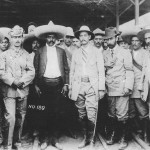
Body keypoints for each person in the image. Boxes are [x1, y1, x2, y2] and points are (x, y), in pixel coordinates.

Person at [34, 21, 69, 150]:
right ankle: (44, 140)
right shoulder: (40, 51)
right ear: (45, 38)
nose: (51, 39)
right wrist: (36, 85)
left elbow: (66, 69)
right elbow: (35, 69)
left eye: (53, 36)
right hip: (44, 85)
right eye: (49, 36)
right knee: (43, 113)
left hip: (58, 85)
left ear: (56, 38)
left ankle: (54, 140)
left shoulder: (61, 51)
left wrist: (66, 84)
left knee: (56, 112)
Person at [69, 25, 105, 148]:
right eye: (81, 35)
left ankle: (92, 140)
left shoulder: (96, 52)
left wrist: (100, 88)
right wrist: (71, 88)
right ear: (78, 37)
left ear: (90, 37)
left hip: (92, 85)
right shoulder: (76, 53)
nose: (83, 38)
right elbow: (72, 72)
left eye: (85, 35)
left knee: (91, 114)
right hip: (79, 86)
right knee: (81, 114)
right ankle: (85, 138)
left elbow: (101, 71)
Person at [0, 25, 35, 150]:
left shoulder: (26, 54)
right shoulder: (4, 55)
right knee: (11, 118)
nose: (17, 40)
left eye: (19, 37)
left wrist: (22, 82)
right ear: (11, 38)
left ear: (22, 38)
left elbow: (31, 72)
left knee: (21, 117)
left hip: (23, 90)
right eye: (14, 37)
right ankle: (7, 145)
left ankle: (17, 142)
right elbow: (1, 72)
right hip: (9, 91)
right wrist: (13, 81)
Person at [103, 27, 134, 150]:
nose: (108, 42)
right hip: (109, 88)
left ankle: (123, 138)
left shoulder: (125, 52)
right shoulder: (104, 53)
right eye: (107, 40)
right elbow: (101, 71)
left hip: (122, 89)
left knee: (122, 115)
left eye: (110, 39)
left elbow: (129, 70)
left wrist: (128, 86)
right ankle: (113, 135)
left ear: (116, 38)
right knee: (111, 114)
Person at [128, 35, 149, 142]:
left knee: (142, 111)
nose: (135, 43)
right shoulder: (128, 52)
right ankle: (137, 130)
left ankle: (145, 134)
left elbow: (146, 71)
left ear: (141, 42)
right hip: (129, 86)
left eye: (137, 41)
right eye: (133, 41)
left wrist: (142, 87)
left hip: (140, 86)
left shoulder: (145, 53)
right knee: (131, 111)